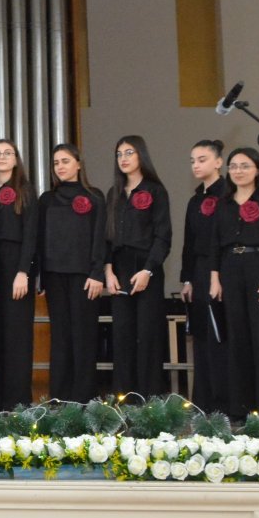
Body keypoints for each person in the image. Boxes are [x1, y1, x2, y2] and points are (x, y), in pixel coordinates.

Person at [207, 147, 259, 418]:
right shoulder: (223, 203)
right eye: (233, 166)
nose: (238, 171)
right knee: (236, 338)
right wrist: (215, 278)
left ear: (257, 169)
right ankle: (239, 408)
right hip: (230, 269)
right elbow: (214, 245)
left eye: (244, 166)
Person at [35, 142, 105, 403]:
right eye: (56, 163)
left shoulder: (95, 196)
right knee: (61, 339)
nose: (60, 167)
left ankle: (84, 401)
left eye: (65, 161)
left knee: (83, 338)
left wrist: (97, 272)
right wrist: (40, 275)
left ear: (78, 164)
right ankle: (59, 400)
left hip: (85, 277)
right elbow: (39, 240)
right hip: (54, 276)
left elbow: (100, 237)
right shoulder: (46, 199)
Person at [105, 135, 172, 398]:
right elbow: (107, 237)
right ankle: (125, 399)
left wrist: (148, 270)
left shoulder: (156, 190)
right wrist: (108, 271)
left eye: (129, 152)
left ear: (141, 155)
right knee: (122, 337)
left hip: (147, 267)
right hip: (119, 268)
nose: (123, 158)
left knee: (148, 336)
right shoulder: (114, 193)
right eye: (119, 154)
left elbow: (163, 236)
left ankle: (150, 400)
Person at [0, 139, 38, 410]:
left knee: (17, 339)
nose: (2, 157)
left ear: (16, 160)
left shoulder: (26, 191)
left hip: (16, 270)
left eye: (8, 153)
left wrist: (23, 271)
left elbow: (31, 235)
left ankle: (18, 406)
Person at [179, 139, 228, 413]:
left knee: (219, 334)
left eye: (202, 159)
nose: (196, 165)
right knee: (200, 336)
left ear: (218, 162)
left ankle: (221, 402)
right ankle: (203, 401)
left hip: (218, 270)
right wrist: (186, 279)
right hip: (197, 271)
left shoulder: (227, 196)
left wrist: (216, 273)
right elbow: (189, 242)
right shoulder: (194, 200)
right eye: (193, 161)